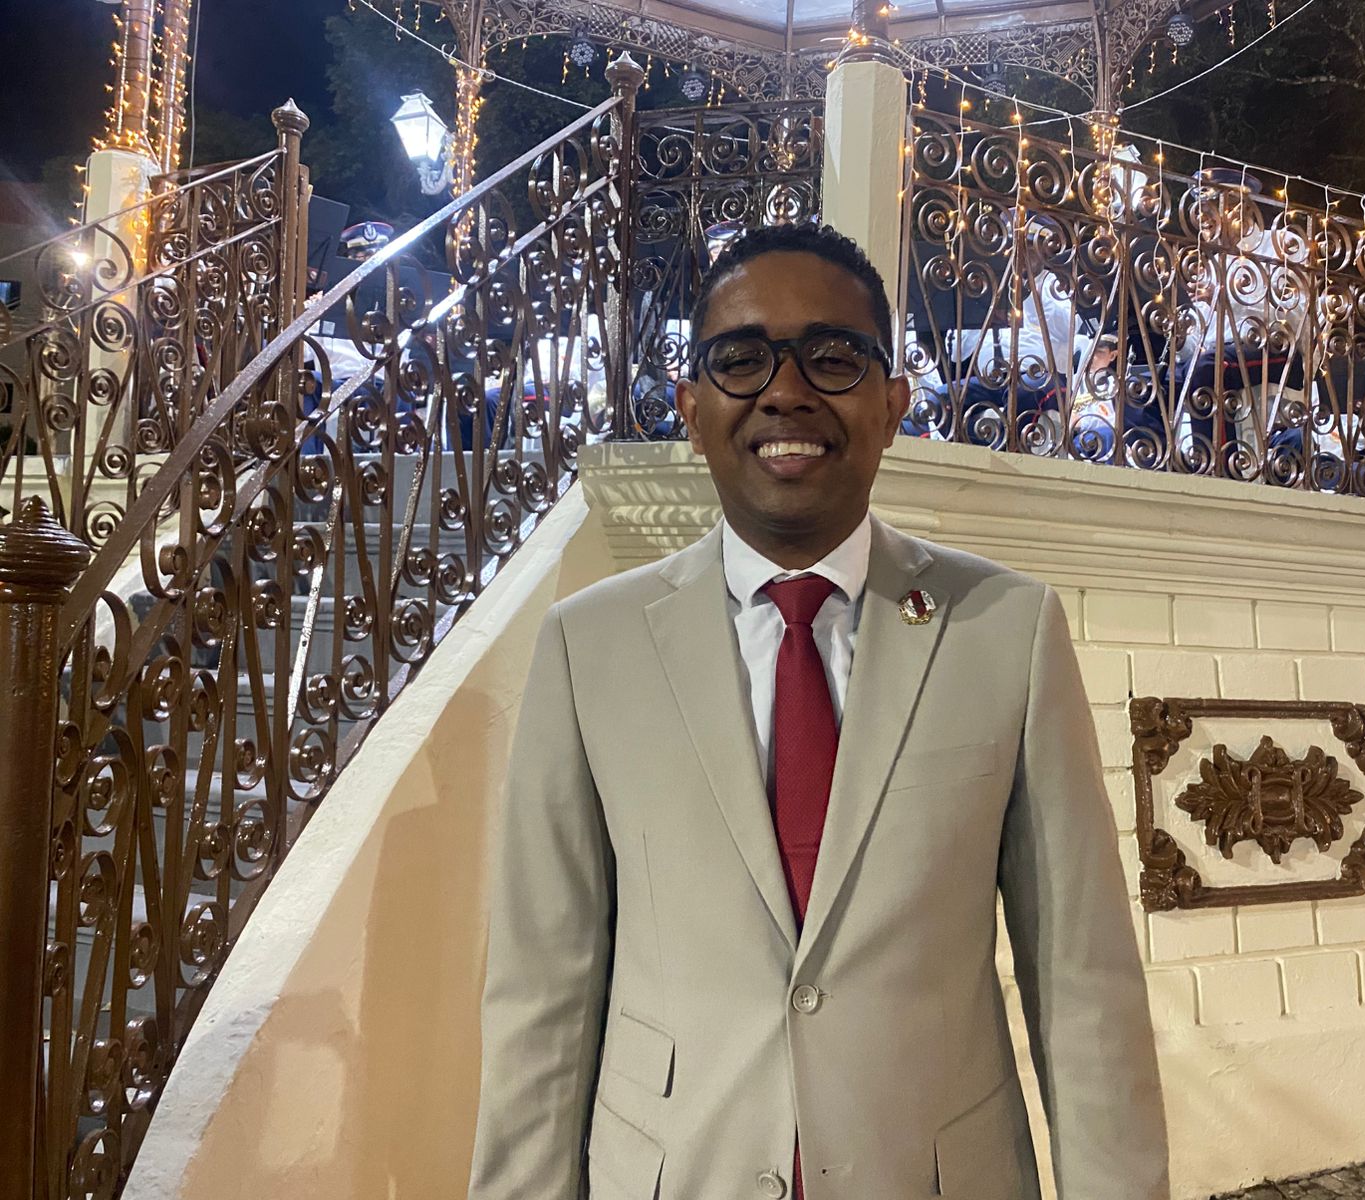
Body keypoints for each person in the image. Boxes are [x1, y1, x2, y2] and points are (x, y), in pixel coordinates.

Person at [469, 222, 1169, 1200]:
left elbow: (1082, 979)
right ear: (692, 409)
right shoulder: (591, 645)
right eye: (740, 359)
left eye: (832, 357)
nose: (786, 391)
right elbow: (543, 989)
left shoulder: (1006, 629)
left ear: (892, 404)